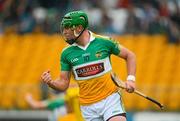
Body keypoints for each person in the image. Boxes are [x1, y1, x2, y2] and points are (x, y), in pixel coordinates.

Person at [41, 10, 136, 121]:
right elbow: (63, 84)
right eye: (64, 28)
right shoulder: (66, 53)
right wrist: (50, 82)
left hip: (110, 99)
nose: (65, 32)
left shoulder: (104, 42)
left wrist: (131, 79)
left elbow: (130, 55)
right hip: (88, 107)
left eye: (68, 27)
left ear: (80, 27)